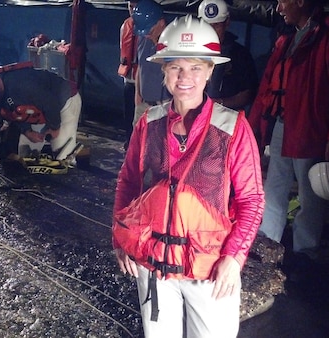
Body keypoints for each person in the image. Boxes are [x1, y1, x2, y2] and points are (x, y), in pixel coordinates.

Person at [112, 15, 264, 337]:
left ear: (210, 71)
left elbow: (252, 200)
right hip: (153, 262)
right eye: (175, 67)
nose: (185, 77)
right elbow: (129, 182)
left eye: (196, 67)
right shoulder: (149, 122)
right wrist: (120, 237)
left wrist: (234, 259)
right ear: (163, 70)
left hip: (208, 267)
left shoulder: (232, 127)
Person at [248, 0, 329, 268]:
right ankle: (268, 244)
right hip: (283, 125)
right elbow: (268, 87)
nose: (278, 8)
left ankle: (305, 253)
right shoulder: (286, 39)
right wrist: (254, 129)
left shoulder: (328, 36)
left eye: (283, 1)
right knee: (274, 189)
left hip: (310, 129)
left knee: (310, 196)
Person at [0, 62, 81, 161]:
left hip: (64, 101)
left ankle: (70, 172)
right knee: (26, 152)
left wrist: (54, 128)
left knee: (61, 151)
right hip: (40, 109)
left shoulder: (20, 84)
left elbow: (50, 102)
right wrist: (28, 131)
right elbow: (16, 114)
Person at [198, 0, 258, 111]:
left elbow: (248, 93)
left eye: (216, 26)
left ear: (227, 23)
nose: (212, 31)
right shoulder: (190, 52)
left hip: (227, 119)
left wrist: (220, 103)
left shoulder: (240, 54)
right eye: (207, 26)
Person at [131, 0, 171, 127]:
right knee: (137, 143)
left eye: (150, 30)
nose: (147, 34)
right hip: (143, 105)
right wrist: (137, 94)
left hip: (164, 106)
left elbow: (172, 68)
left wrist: (157, 43)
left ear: (161, 23)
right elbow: (140, 67)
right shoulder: (143, 38)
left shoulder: (174, 41)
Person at [117, 0, 138, 150]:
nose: (133, 9)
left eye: (136, 6)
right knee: (128, 113)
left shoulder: (150, 26)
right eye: (131, 6)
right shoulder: (125, 25)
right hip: (129, 77)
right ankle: (129, 140)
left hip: (142, 80)